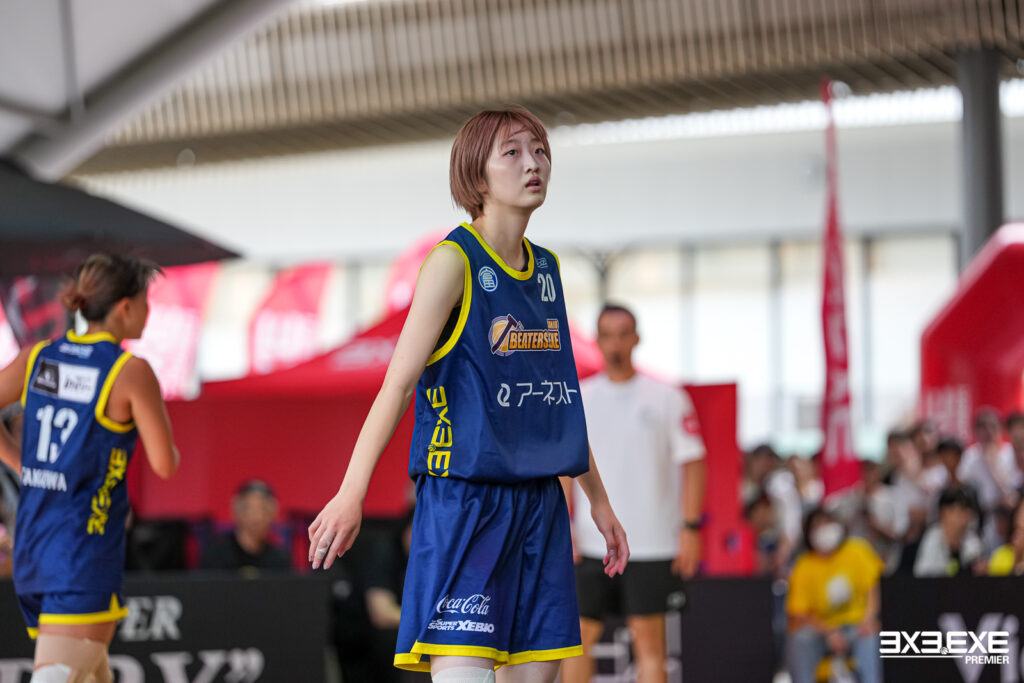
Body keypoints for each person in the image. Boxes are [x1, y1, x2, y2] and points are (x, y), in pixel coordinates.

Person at [307, 108, 629, 683]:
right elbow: (397, 384)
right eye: (513, 152)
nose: (533, 163)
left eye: (540, 150)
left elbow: (556, 406)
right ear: (476, 176)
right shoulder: (451, 262)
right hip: (465, 503)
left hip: (539, 508)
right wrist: (351, 493)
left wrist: (598, 503)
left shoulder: (548, 271)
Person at [0, 253, 180, 683]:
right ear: (125, 306)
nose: (148, 312)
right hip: (82, 552)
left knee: (87, 672)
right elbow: (165, 464)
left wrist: (21, 463)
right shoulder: (129, 370)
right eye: (146, 301)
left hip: (34, 549)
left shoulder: (38, 357)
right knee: (58, 674)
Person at [560, 303, 705, 683]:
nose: (616, 344)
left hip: (651, 541)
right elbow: (564, 467)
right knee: (579, 636)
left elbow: (693, 463)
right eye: (608, 335)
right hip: (591, 540)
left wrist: (690, 527)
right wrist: (563, 524)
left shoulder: (666, 397)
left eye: (623, 334)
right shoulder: (580, 397)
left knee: (648, 639)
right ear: (597, 340)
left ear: (637, 338)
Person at [785, 508, 883, 683]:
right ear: (809, 534)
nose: (824, 529)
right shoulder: (803, 566)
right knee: (800, 639)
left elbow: (873, 589)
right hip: (822, 631)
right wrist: (830, 632)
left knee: (871, 637)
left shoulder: (857, 550)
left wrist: (868, 619)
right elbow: (799, 614)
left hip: (857, 626)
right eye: (818, 525)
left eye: (828, 522)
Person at [199, 479, 291, 574]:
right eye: (250, 510)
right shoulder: (216, 555)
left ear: (272, 515)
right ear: (236, 512)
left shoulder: (280, 560)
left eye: (263, 510)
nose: (257, 518)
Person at [913, 486, 985, 577]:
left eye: (968, 511)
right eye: (961, 510)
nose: (966, 516)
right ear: (944, 512)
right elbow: (924, 574)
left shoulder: (973, 541)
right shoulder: (932, 539)